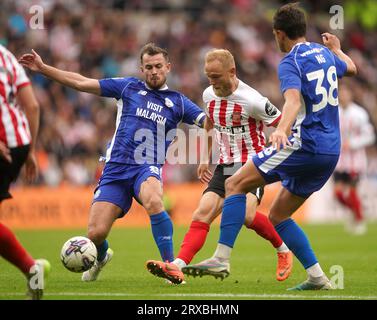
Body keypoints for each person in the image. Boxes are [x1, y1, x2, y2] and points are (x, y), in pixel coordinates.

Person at [184, 3, 357, 290]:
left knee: (236, 184)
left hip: (305, 143)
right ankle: (317, 277)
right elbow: (351, 68)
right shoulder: (324, 53)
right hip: (330, 151)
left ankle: (221, 258)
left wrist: (282, 130)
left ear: (279, 34)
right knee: (278, 215)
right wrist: (337, 49)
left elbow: (290, 101)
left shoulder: (291, 61)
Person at [19, 43, 206, 282]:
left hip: (146, 167)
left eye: (159, 66)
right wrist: (44, 69)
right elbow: (81, 82)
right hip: (116, 168)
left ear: (168, 67)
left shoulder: (178, 102)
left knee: (154, 199)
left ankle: (171, 266)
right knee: (95, 233)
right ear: (141, 69)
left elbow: (207, 122)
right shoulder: (128, 87)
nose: (154, 71)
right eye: (148, 67)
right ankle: (102, 255)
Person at [146, 49, 293, 285]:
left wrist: (279, 141)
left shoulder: (253, 100)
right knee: (202, 212)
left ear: (232, 72)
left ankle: (284, 249)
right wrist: (205, 157)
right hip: (224, 165)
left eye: (216, 76)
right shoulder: (208, 94)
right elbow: (210, 123)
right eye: (208, 76)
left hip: (251, 165)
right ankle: (177, 266)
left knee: (246, 214)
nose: (212, 82)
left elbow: (284, 123)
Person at [0, 44, 50, 300]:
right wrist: (29, 149)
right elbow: (32, 106)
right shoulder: (6, 55)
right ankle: (31, 268)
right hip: (18, 143)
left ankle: (32, 267)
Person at [333, 83, 375, 235]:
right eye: (340, 94)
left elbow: (370, 136)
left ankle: (359, 220)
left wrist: (353, 143)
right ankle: (356, 210)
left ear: (350, 95)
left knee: (351, 193)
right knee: (337, 194)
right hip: (338, 161)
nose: (343, 96)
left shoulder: (359, 113)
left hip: (355, 162)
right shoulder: (334, 112)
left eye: (345, 94)